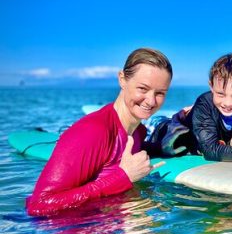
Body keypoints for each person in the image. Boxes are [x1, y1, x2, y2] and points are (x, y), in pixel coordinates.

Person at [26, 48, 172, 217]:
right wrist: (122, 177)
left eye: (160, 93)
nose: (151, 101)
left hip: (105, 227)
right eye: (143, 88)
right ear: (122, 80)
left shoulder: (138, 132)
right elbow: (39, 205)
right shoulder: (93, 131)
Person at [149, 53, 232, 163]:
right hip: (167, 133)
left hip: (198, 141)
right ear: (211, 86)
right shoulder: (205, 103)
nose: (227, 103)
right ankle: (158, 122)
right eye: (220, 94)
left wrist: (231, 144)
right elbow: (210, 151)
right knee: (158, 136)